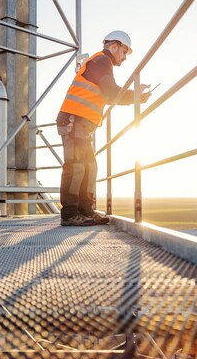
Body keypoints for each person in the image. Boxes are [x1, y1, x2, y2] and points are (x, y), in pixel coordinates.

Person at [57, 30, 151, 226]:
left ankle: (85, 210)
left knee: (89, 167)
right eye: (124, 52)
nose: (125, 58)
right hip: (74, 120)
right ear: (114, 46)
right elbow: (111, 93)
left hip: (81, 124)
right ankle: (69, 213)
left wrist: (136, 95)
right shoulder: (101, 61)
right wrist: (136, 97)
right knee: (76, 166)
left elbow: (106, 95)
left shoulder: (102, 65)